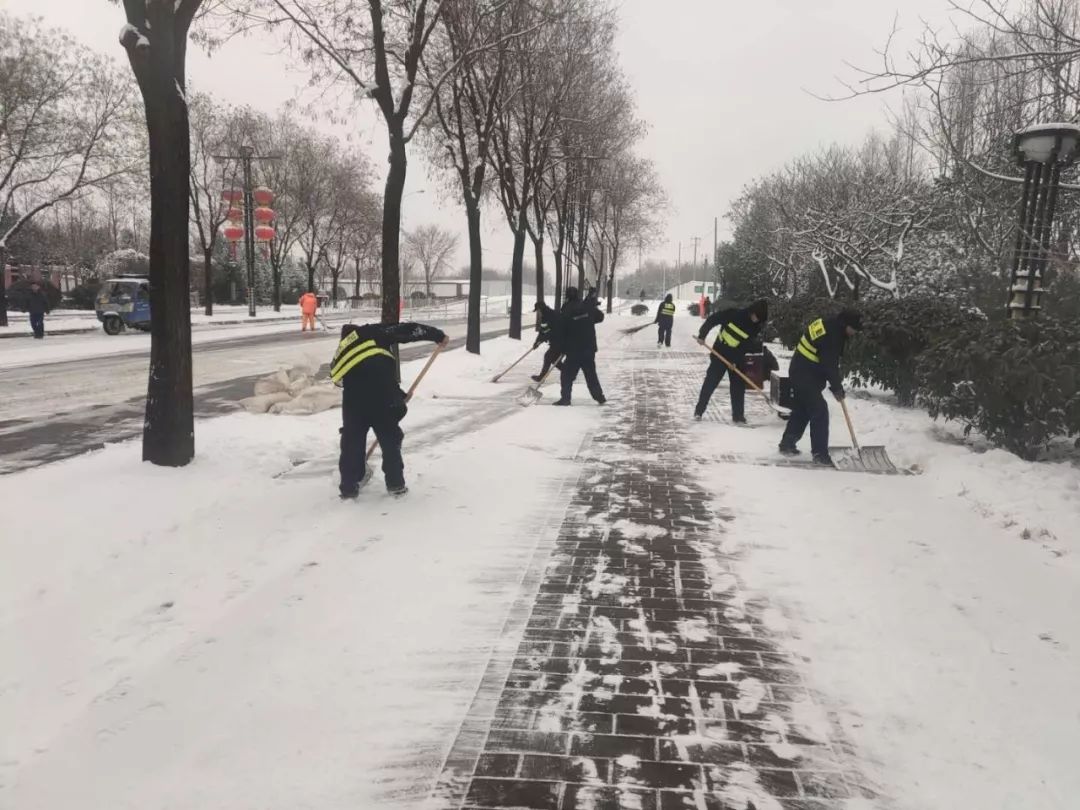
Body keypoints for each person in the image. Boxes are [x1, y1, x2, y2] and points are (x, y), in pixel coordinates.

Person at [331, 320, 449, 499]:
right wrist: (437, 335)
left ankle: (349, 487)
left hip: (354, 400)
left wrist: (398, 396)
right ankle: (396, 485)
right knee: (389, 438)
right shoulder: (371, 332)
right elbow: (407, 330)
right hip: (382, 396)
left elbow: (359, 376)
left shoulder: (341, 352)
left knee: (352, 440)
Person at [779, 309, 863, 465]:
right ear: (845, 324)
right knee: (820, 410)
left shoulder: (830, 324)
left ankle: (787, 443)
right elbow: (829, 365)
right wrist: (837, 388)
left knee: (803, 409)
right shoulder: (833, 335)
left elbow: (822, 357)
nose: (854, 333)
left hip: (802, 369)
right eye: (853, 329)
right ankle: (820, 454)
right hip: (804, 373)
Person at [693, 299, 769, 423]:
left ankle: (738, 416)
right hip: (720, 353)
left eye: (760, 320)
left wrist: (735, 361)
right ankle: (699, 411)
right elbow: (712, 320)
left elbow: (746, 346)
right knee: (710, 382)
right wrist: (702, 335)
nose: (757, 321)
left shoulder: (755, 327)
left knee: (738, 386)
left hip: (737, 357)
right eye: (757, 317)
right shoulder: (733, 314)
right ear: (752, 312)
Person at [553, 286, 606, 406]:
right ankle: (599, 397)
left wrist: (561, 348)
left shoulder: (566, 309)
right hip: (588, 348)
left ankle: (565, 399)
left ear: (567, 296)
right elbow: (600, 317)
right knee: (591, 374)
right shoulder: (587, 306)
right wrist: (590, 313)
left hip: (574, 350)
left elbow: (561, 330)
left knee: (567, 375)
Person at [531, 301, 562, 382]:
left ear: (541, 309)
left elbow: (549, 332)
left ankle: (542, 377)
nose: (538, 313)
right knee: (554, 359)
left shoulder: (549, 316)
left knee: (548, 357)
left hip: (559, 341)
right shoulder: (548, 315)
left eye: (538, 310)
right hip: (558, 340)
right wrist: (537, 342)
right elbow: (543, 331)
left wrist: (540, 340)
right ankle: (568, 372)